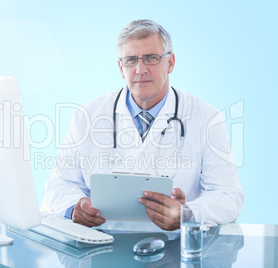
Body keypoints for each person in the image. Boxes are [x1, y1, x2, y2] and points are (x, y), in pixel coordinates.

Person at [41, 19, 244, 232]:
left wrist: (189, 214)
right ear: (121, 67)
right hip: (103, 249)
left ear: (170, 62)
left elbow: (228, 195)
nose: (140, 69)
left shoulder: (206, 118)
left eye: (151, 58)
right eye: (130, 60)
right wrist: (74, 208)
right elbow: (58, 185)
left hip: (176, 250)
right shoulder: (87, 116)